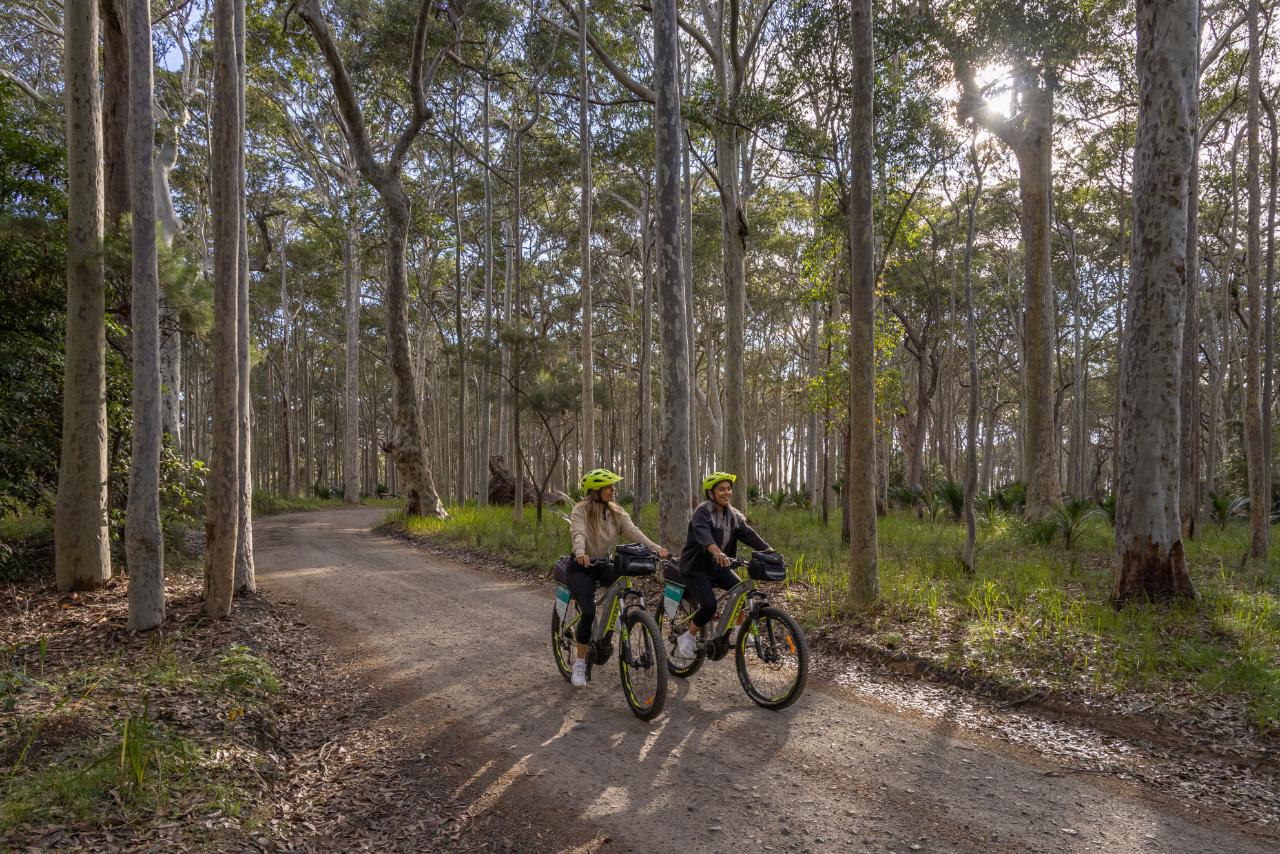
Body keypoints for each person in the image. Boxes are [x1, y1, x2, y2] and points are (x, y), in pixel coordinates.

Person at [567, 468, 668, 687]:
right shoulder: (580, 510)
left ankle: (618, 623)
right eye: (608, 487)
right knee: (589, 610)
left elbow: (634, 532)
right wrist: (580, 553)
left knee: (623, 582)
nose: (613, 490)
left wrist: (655, 548)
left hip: (604, 563)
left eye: (613, 486)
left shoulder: (617, 512)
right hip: (581, 566)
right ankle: (580, 663)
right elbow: (579, 532)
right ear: (595, 490)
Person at [673, 472, 772, 660]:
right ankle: (687, 637)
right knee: (709, 605)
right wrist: (716, 551)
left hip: (719, 567)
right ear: (711, 493)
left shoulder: (733, 516)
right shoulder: (703, 512)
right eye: (721, 489)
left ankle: (737, 630)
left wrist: (769, 550)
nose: (726, 492)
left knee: (741, 590)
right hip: (696, 568)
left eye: (728, 489)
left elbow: (749, 535)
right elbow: (703, 535)